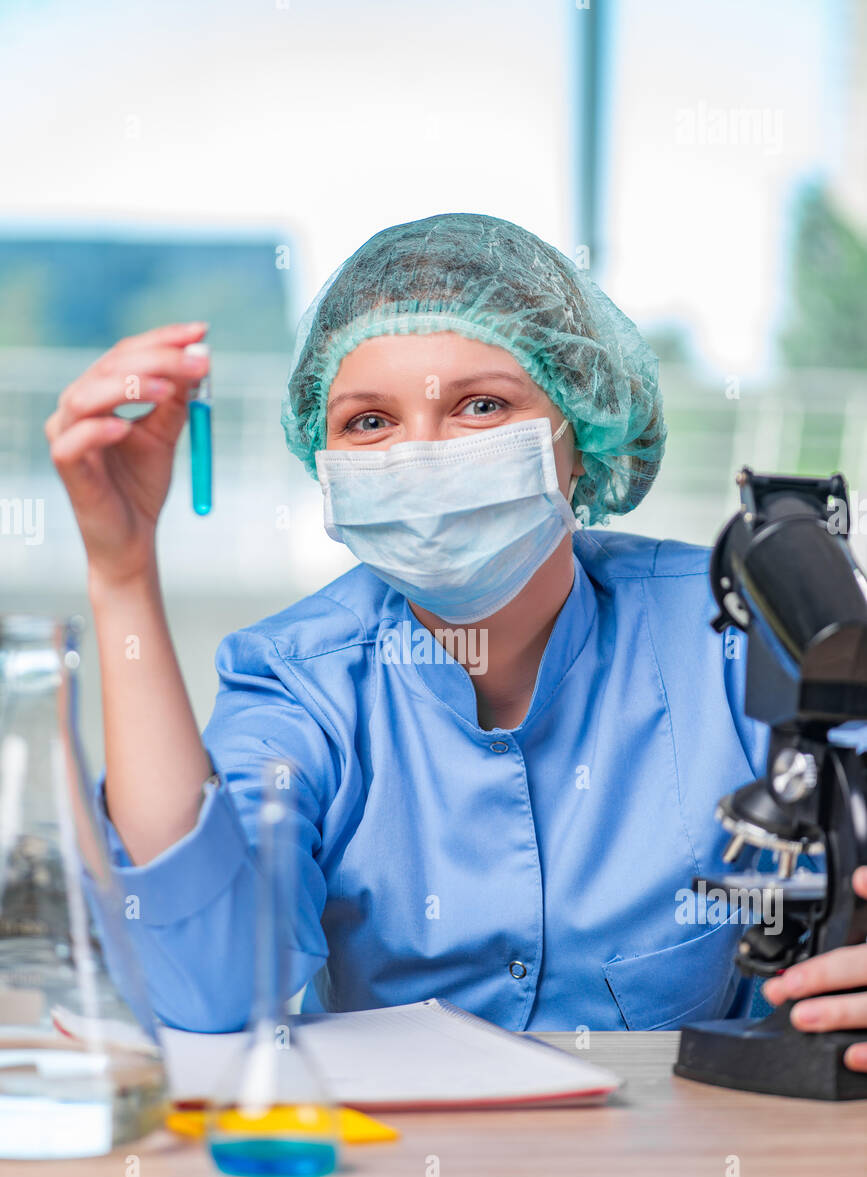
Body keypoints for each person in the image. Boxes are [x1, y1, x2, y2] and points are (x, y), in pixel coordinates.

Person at [44, 212, 867, 1064]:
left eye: (480, 405)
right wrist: (122, 567)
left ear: (579, 435)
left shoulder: (735, 628)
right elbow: (208, 992)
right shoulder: (299, 680)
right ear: (324, 460)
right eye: (369, 422)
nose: (421, 456)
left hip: (716, 1169)